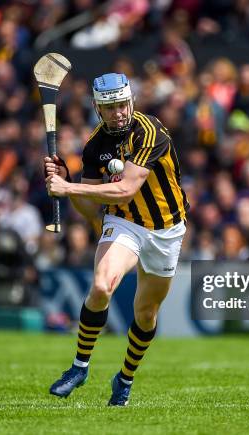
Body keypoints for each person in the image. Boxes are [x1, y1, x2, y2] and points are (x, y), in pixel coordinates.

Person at [45, 72, 189, 406]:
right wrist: (65, 182)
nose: (118, 113)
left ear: (131, 102)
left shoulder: (150, 131)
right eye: (109, 107)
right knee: (101, 285)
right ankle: (79, 367)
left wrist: (69, 187)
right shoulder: (95, 144)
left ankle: (124, 378)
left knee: (146, 313)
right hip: (124, 223)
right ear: (97, 108)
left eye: (122, 105)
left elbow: (125, 189)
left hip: (166, 229)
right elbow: (90, 208)